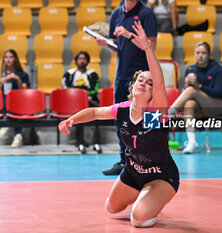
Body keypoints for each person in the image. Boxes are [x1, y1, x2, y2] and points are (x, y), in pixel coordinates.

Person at [59, 22, 179, 228]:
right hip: (133, 173)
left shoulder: (154, 115)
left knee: (139, 220)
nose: (144, 83)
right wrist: (72, 119)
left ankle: (152, 200)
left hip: (161, 176)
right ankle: (143, 196)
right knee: (111, 208)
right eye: (141, 80)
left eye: (149, 84)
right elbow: (96, 112)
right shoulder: (122, 109)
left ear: (153, 94)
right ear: (133, 86)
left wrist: (147, 48)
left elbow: (159, 81)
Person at [96, 0, 157, 175]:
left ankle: (150, 159)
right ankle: (125, 161)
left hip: (143, 75)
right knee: (121, 118)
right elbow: (118, 47)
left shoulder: (146, 14)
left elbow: (152, 47)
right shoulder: (116, 14)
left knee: (148, 117)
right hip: (121, 74)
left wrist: (129, 34)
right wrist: (106, 44)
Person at [168, 42, 222, 154]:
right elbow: (187, 93)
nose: (200, 56)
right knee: (189, 104)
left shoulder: (217, 69)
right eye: (198, 53)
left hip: (216, 105)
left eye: (204, 53)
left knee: (191, 91)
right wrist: (187, 85)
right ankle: (192, 143)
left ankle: (168, 113)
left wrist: (199, 87)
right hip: (199, 106)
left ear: (209, 55)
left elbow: (218, 92)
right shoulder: (190, 69)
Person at [0, 49, 30, 147]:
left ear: (15, 59)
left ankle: (8, 127)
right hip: (3, 99)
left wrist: (18, 80)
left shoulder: (22, 74)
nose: (8, 59)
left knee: (13, 104)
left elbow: (24, 90)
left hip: (18, 101)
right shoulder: (1, 74)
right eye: (6, 57)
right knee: (5, 101)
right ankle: (17, 134)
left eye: (11, 57)